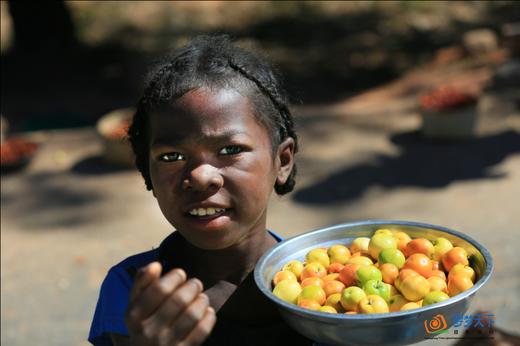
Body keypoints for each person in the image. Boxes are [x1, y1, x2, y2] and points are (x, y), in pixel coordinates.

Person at [88, 34, 313, 346]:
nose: (200, 177)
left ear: (282, 161)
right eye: (171, 157)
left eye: (230, 149)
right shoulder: (136, 291)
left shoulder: (326, 278)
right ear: (148, 173)